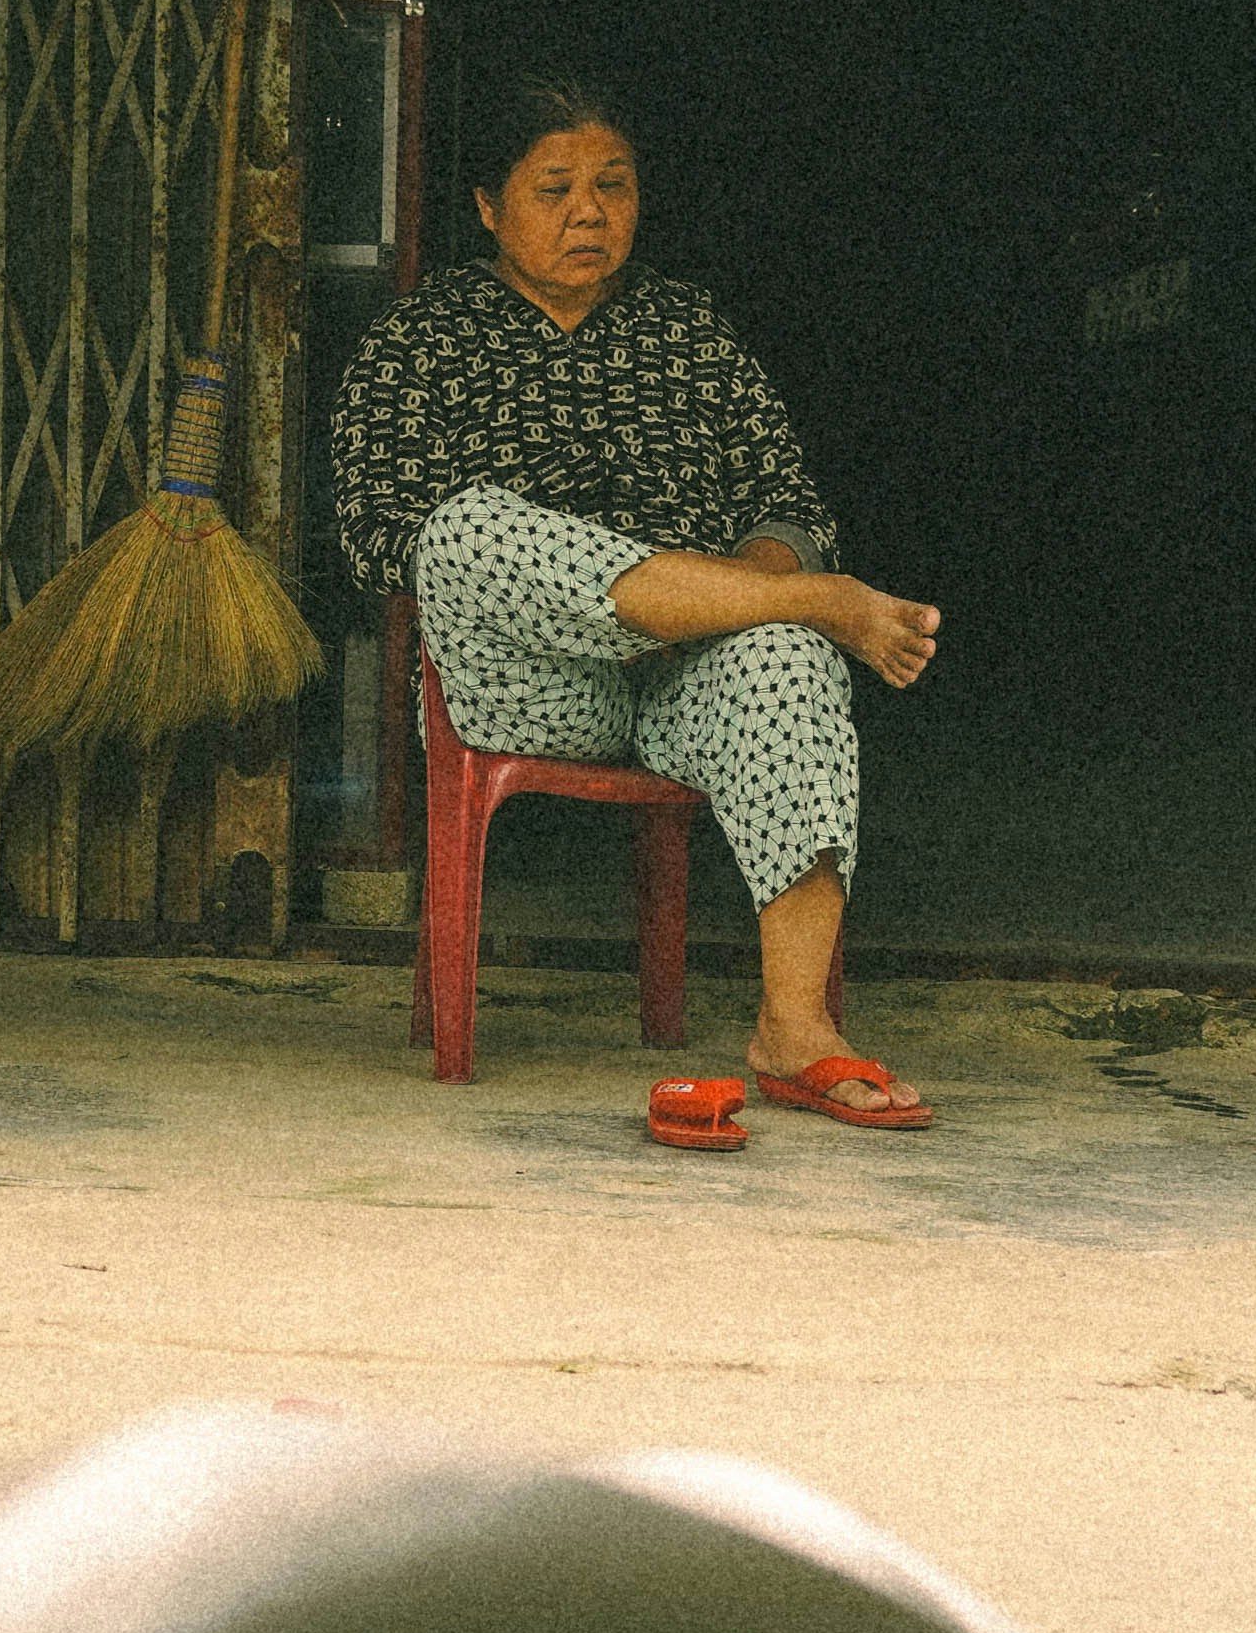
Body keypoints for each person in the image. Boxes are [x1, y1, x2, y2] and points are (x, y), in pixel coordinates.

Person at [332, 78, 944, 1130]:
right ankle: (801, 602)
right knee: (467, 524)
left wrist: (742, 592)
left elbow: (784, 498)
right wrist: (606, 573)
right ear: (487, 205)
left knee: (790, 653)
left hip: (683, 676)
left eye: (613, 186)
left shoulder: (685, 326)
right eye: (555, 188)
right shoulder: (422, 337)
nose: (589, 212)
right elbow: (376, 532)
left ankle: (795, 1026)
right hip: (530, 682)